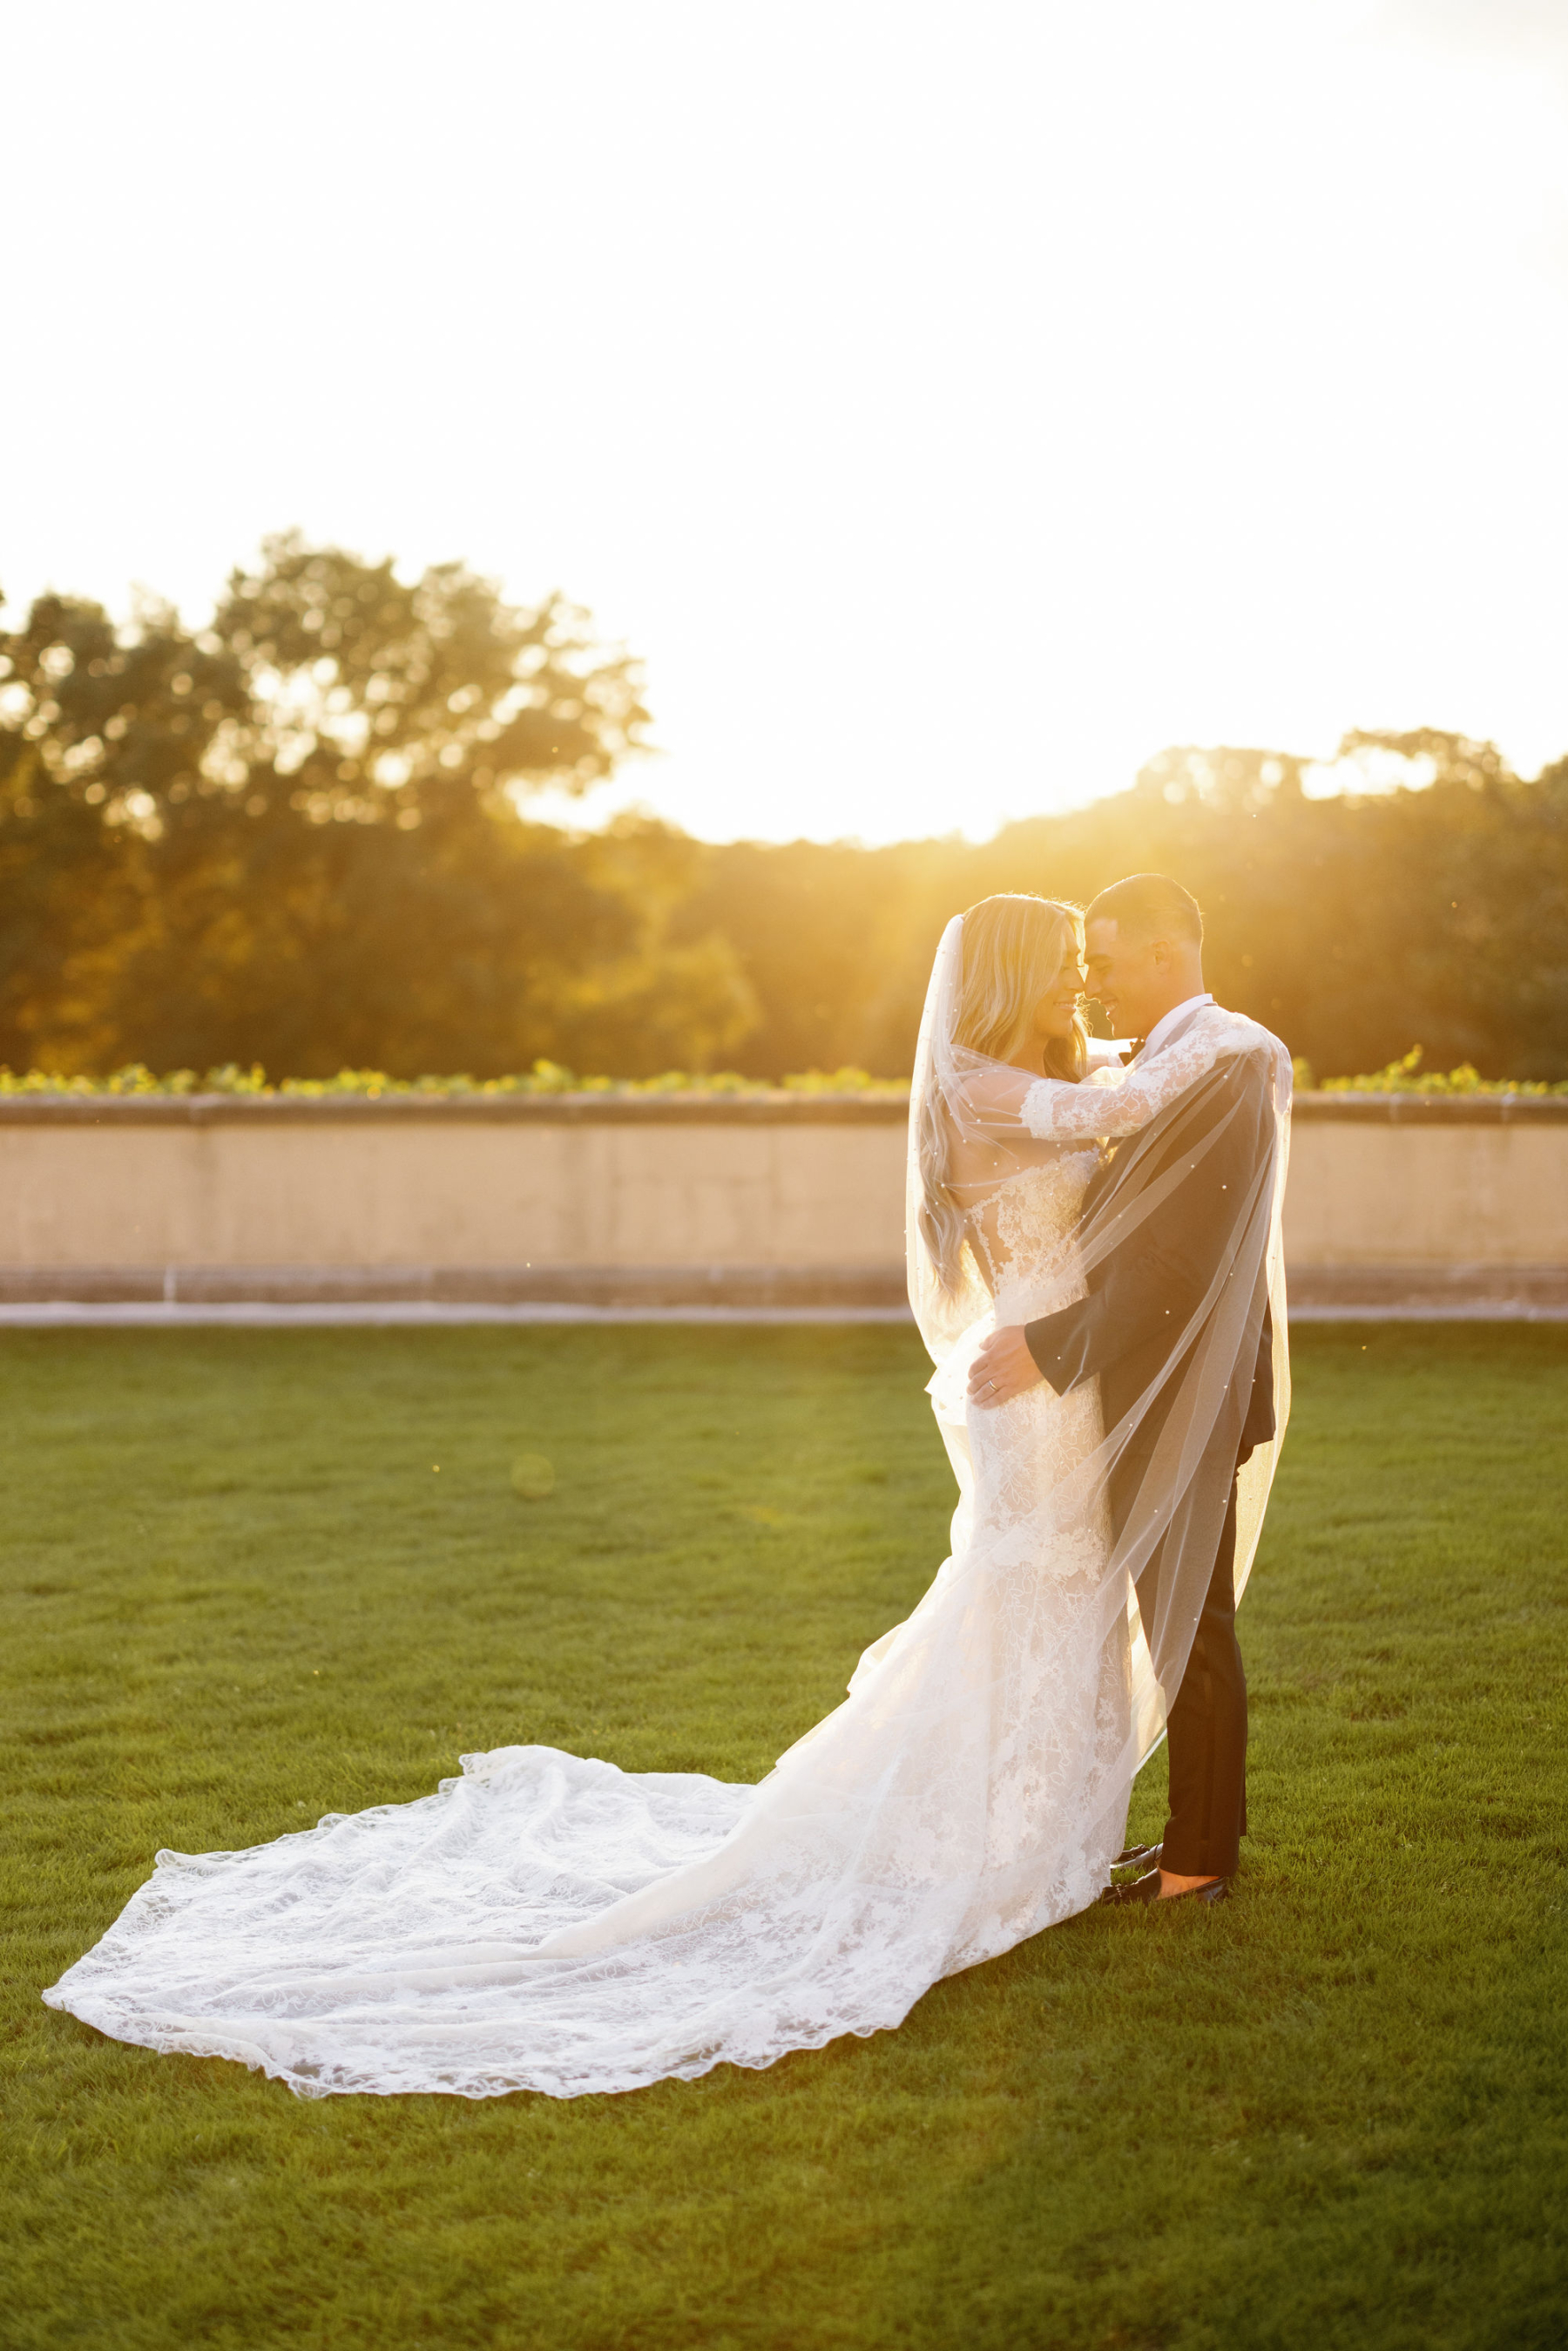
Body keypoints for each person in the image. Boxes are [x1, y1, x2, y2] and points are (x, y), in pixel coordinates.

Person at [43, 892, 1289, 2103]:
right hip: (1034, 1375)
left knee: (1060, 1596)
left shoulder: (1019, 1076)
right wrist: (1229, 1033)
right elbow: (1123, 1105)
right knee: (1024, 1587)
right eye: (1068, 961)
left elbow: (1126, 1139)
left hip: (1065, 1378)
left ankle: (1050, 1836)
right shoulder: (983, 1084)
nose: (1082, 983)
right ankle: (995, 1844)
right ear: (1018, 971)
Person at [968, 873, 1288, 1905]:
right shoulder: (1178, 1058)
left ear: (1162, 951)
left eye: (1102, 960)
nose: (1092, 983)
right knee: (1181, 1617)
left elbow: (1176, 1267)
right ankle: (1199, 1832)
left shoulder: (1224, 1065)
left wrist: (1054, 1344)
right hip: (1148, 1382)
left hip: (1181, 1382)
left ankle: (1199, 1863)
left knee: (1189, 1623)